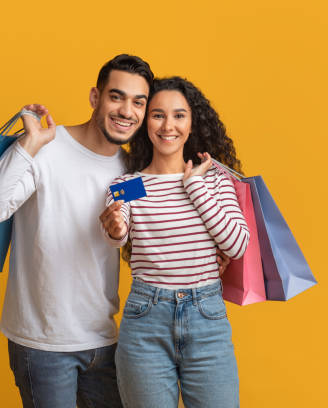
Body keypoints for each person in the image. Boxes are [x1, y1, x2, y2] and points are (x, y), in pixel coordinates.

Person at [0, 54, 153, 408]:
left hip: (105, 342)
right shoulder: (46, 149)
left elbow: (134, 236)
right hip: (43, 346)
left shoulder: (131, 172)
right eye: (117, 96)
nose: (127, 110)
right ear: (95, 97)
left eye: (138, 102)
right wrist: (29, 143)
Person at [100, 76, 249, 408]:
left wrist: (194, 186)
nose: (168, 126)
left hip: (206, 319)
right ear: (145, 122)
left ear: (192, 122)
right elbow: (119, 231)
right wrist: (113, 229)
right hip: (145, 320)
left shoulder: (215, 179)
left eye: (179, 115)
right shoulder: (132, 184)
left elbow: (237, 244)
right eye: (158, 115)